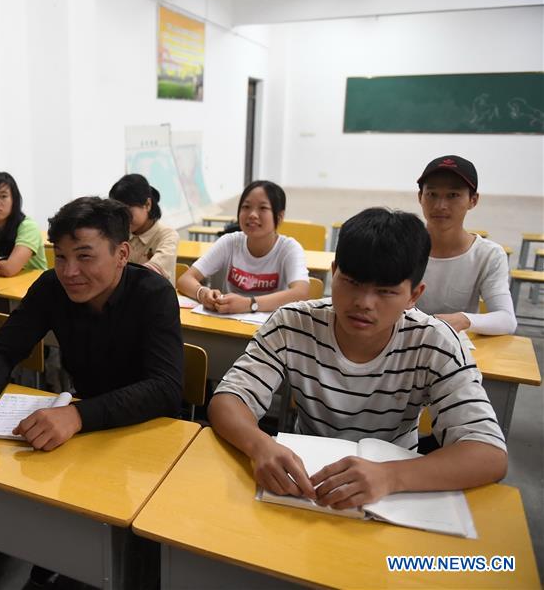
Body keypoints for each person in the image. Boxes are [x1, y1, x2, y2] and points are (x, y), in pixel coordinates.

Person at [209, 208, 507, 510]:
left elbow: (488, 454)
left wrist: (390, 477)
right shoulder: (292, 323)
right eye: (351, 283)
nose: (363, 303)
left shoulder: (435, 342)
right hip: (304, 480)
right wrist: (260, 445)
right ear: (334, 271)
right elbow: (229, 399)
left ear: (414, 295)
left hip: (398, 489)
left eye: (385, 292)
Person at [0, 196, 183, 451]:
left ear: (121, 254)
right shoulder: (52, 287)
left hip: (146, 432)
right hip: (79, 433)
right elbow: (2, 349)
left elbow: (165, 389)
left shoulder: (153, 294)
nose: (69, 272)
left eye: (84, 256)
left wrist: (77, 415)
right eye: (61, 257)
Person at [414, 155, 516, 335]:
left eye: (453, 195)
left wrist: (464, 319)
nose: (440, 205)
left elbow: (506, 319)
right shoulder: (401, 245)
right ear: (420, 197)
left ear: (473, 200)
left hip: (454, 349)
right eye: (432, 194)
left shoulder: (488, 255)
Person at [177, 180, 309, 313]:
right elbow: (185, 279)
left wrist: (249, 304)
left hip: (270, 329)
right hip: (227, 325)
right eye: (246, 207)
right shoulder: (230, 242)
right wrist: (202, 293)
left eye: (263, 208)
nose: (252, 214)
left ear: (279, 217)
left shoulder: (289, 248)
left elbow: (301, 293)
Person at [108, 173, 180, 284]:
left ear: (147, 204)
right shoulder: (119, 234)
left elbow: (150, 274)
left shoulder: (168, 235)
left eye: (128, 212)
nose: (123, 219)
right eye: (119, 213)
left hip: (155, 297)